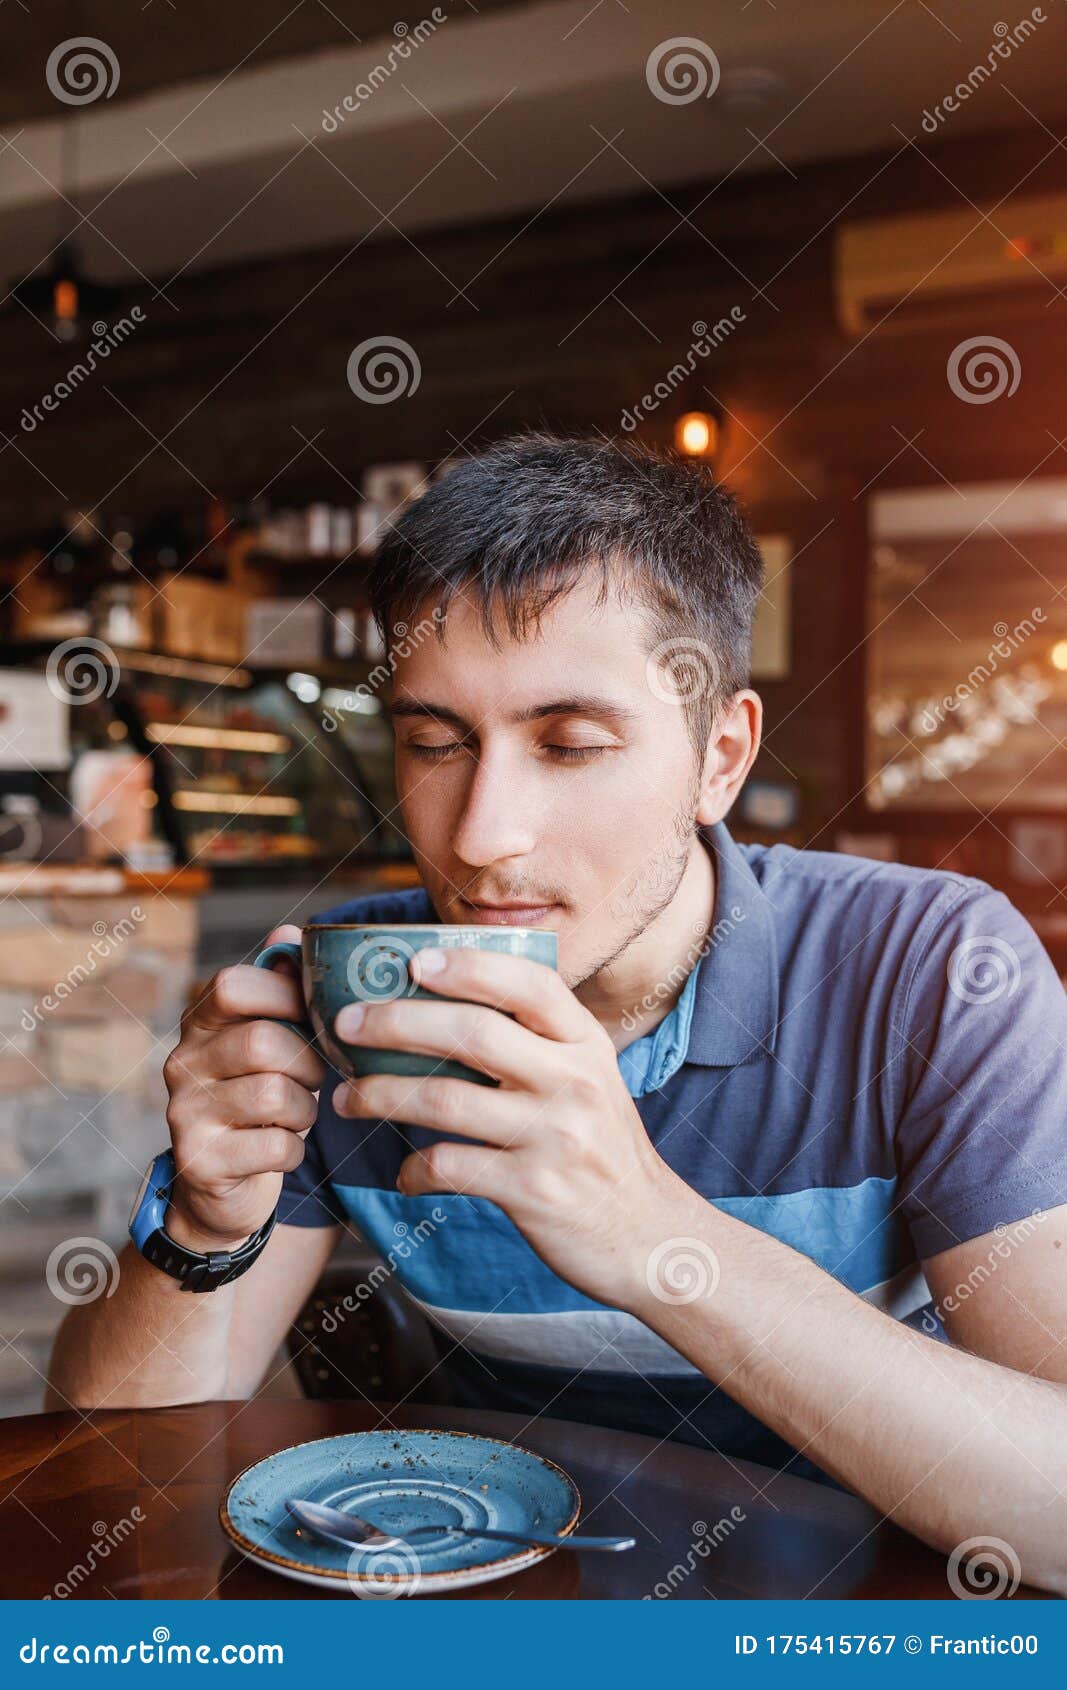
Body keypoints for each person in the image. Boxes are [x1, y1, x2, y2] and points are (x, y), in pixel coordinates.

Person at [49, 434, 1067, 1592]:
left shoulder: (928, 970)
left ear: (717, 758)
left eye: (569, 744)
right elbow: (106, 1484)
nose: (479, 837)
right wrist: (202, 1223)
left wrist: (649, 1235)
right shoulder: (360, 987)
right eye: (434, 743)